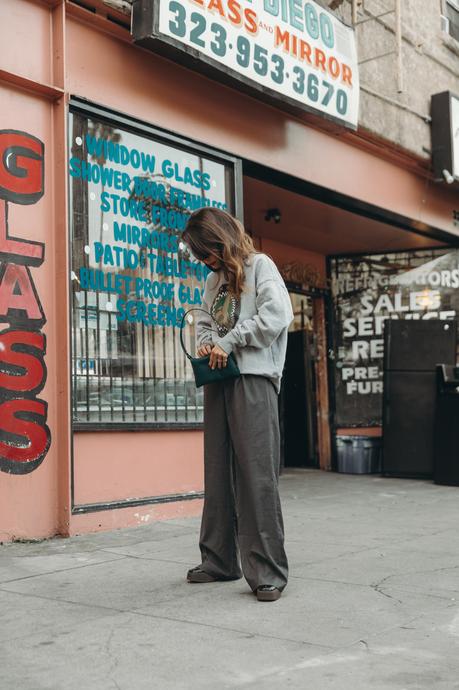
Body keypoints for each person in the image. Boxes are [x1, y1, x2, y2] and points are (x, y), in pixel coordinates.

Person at [182, 207, 293, 602]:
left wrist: (229, 342)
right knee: (217, 469)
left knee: (256, 474)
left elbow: (277, 316)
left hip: (253, 379)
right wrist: (208, 341)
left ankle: (267, 572)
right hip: (219, 379)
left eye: (207, 253)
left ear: (222, 240)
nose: (205, 261)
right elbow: (209, 323)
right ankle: (219, 560)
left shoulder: (260, 266)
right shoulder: (214, 281)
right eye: (200, 257)